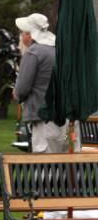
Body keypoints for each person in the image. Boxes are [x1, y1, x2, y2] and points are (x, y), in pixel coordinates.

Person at [12, 13, 67, 154]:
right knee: (65, 168)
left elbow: (22, 89)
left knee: (45, 167)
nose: (21, 36)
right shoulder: (60, 50)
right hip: (65, 116)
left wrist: (16, 93)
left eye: (22, 33)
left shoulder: (34, 53)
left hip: (44, 117)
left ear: (30, 35)